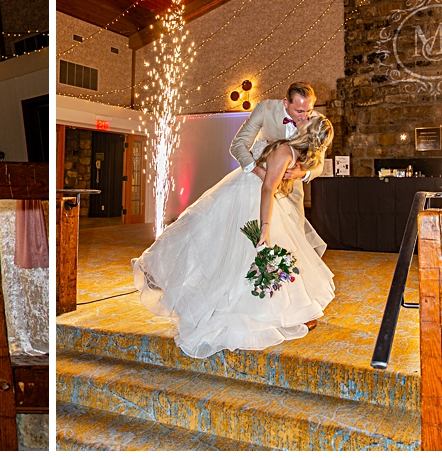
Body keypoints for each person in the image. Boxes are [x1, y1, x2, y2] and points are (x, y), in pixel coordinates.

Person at [132, 115, 336, 359]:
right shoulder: (285, 144)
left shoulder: (287, 151)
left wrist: (265, 226)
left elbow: (269, 188)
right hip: (239, 193)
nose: (302, 117)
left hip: (253, 199)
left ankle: (265, 310)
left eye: (307, 118)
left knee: (241, 252)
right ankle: (165, 272)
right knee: (210, 239)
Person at [230, 82, 326, 255]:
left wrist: (302, 173)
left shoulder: (315, 121)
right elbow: (238, 145)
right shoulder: (265, 109)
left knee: (293, 245)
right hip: (256, 186)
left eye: (308, 110)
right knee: (250, 239)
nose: (305, 117)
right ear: (285, 103)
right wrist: (259, 171)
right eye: (299, 111)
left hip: (291, 191)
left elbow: (320, 164)